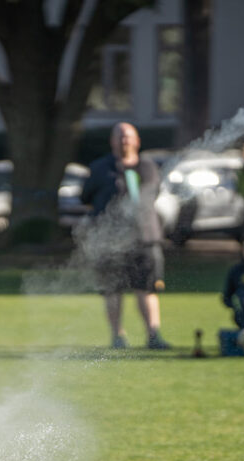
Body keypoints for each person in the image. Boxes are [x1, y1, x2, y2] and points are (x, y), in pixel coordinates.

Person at [81, 122, 170, 350]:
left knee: (147, 288)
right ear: (112, 141)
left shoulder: (149, 167)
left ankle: (153, 335)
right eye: (119, 136)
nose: (124, 140)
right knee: (112, 290)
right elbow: (86, 196)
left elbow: (154, 195)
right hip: (111, 242)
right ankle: (117, 336)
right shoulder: (100, 168)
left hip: (145, 238)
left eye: (128, 136)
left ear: (137, 141)